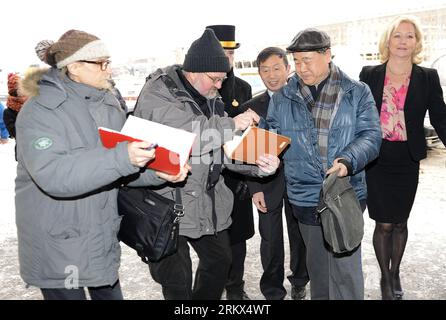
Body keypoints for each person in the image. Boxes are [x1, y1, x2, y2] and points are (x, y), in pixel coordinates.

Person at [15, 29, 189, 300]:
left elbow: (120, 169)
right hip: (57, 243)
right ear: (74, 66)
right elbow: (54, 175)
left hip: (99, 233)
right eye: (102, 63)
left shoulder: (107, 103)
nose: (109, 70)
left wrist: (160, 172)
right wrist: (123, 158)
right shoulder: (41, 110)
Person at [133, 28, 280, 300]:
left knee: (219, 264)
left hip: (207, 202)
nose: (220, 86)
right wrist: (232, 123)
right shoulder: (158, 93)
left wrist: (258, 165)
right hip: (168, 203)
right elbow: (188, 137)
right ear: (195, 72)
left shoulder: (211, 96)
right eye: (216, 79)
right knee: (177, 281)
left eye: (223, 79)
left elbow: (225, 149)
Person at [266, 28, 382, 300]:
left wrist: (348, 160)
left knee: (346, 269)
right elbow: (270, 136)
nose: (301, 68)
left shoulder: (356, 91)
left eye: (307, 60)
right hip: (305, 196)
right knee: (318, 270)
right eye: (296, 61)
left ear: (327, 54)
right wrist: (255, 152)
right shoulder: (283, 97)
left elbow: (371, 135)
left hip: (344, 191)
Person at [359, 16, 446, 300]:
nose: (403, 41)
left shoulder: (428, 77)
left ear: (417, 42)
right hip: (376, 157)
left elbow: (440, 117)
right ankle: (385, 277)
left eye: (409, 36)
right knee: (383, 223)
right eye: (397, 36)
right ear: (388, 40)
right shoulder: (369, 74)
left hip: (407, 158)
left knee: (400, 222)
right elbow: (355, 115)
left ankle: (395, 271)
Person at [244, 47, 309, 300]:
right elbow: (248, 155)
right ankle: (272, 289)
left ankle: (300, 279)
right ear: (258, 72)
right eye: (265, 70)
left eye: (276, 68)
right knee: (270, 240)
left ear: (288, 69)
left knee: (299, 235)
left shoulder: (303, 100)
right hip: (266, 184)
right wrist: (254, 188)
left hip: (298, 181)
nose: (271, 75)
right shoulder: (252, 107)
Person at [206, 24, 254, 300]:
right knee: (210, 240)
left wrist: (249, 178)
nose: (227, 58)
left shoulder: (244, 88)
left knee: (237, 239)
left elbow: (249, 137)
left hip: (236, 178)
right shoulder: (195, 89)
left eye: (230, 52)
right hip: (205, 176)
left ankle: (235, 289)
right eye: (221, 52)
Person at [3, 72, 29, 156]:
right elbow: (15, 133)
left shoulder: (33, 103)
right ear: (15, 91)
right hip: (24, 152)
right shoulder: (8, 112)